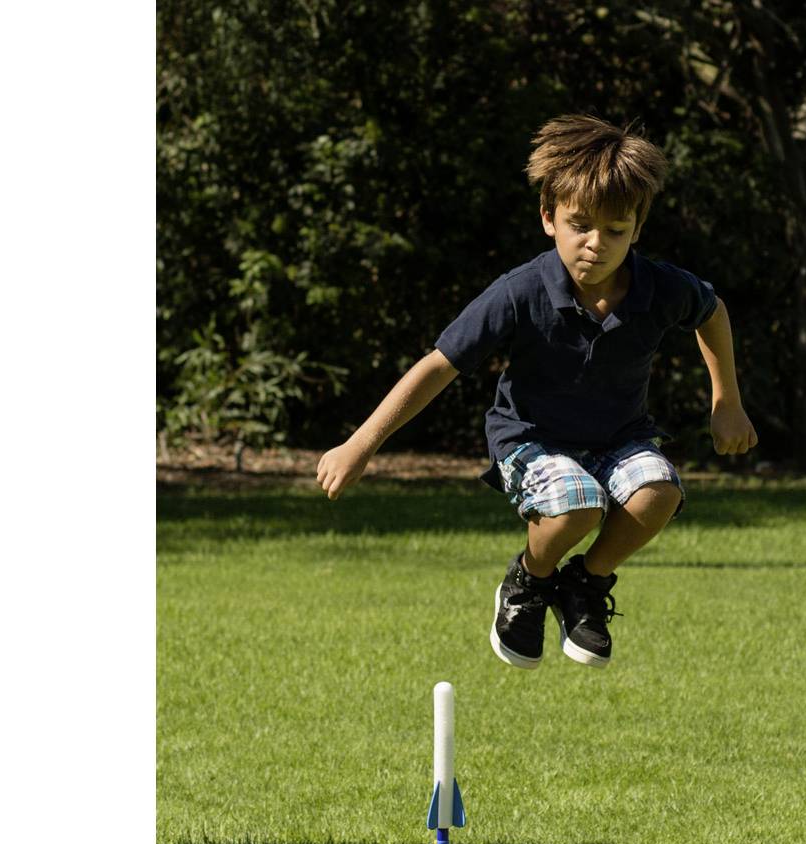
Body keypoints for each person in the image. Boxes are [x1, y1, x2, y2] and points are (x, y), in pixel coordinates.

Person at [317, 114, 757, 669]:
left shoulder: (661, 287)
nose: (596, 244)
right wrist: (361, 444)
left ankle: (585, 585)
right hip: (531, 441)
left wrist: (727, 402)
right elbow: (438, 365)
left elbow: (712, 312)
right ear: (549, 217)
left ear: (637, 229)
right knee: (577, 504)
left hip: (619, 437)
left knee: (659, 491)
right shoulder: (519, 292)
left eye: (616, 230)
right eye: (580, 225)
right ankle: (528, 580)